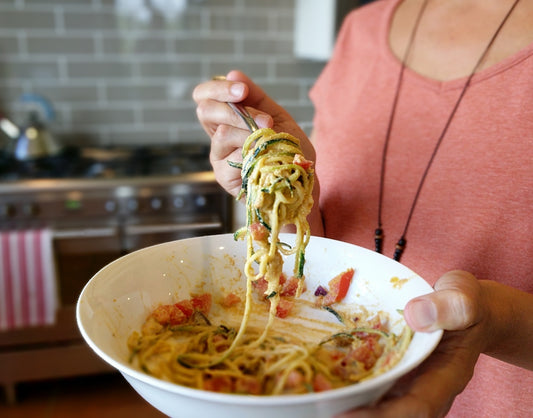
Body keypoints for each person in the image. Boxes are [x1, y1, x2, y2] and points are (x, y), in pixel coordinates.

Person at [193, 0, 533, 416]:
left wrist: (500, 321)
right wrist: (283, 196)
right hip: (324, 389)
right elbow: (324, 251)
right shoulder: (361, 29)